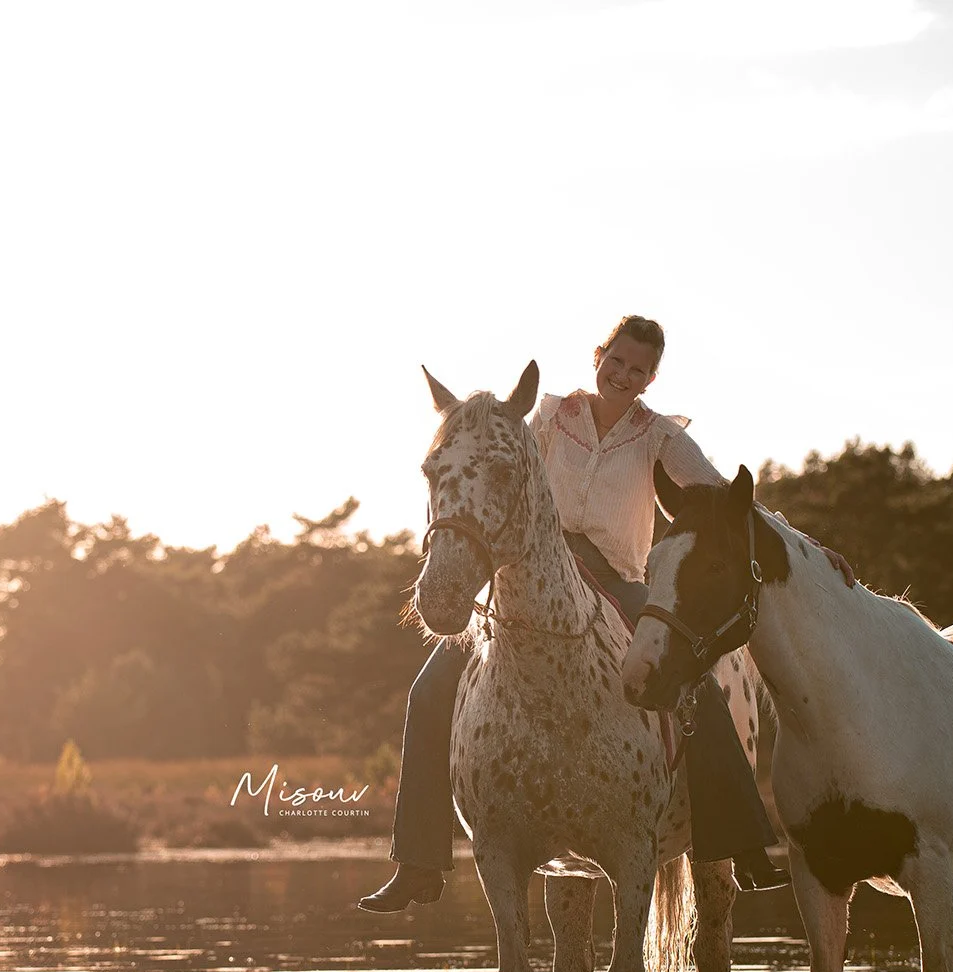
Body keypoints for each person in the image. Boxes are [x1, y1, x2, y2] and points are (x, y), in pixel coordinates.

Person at [360, 316, 844, 915]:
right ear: (599, 356)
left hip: (619, 582)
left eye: (638, 369)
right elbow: (497, 468)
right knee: (428, 690)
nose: (624, 375)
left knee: (699, 687)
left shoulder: (659, 437)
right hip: (541, 573)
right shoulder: (548, 420)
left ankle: (738, 841)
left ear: (650, 378)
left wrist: (807, 546)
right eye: (616, 361)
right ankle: (418, 863)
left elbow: (726, 500)